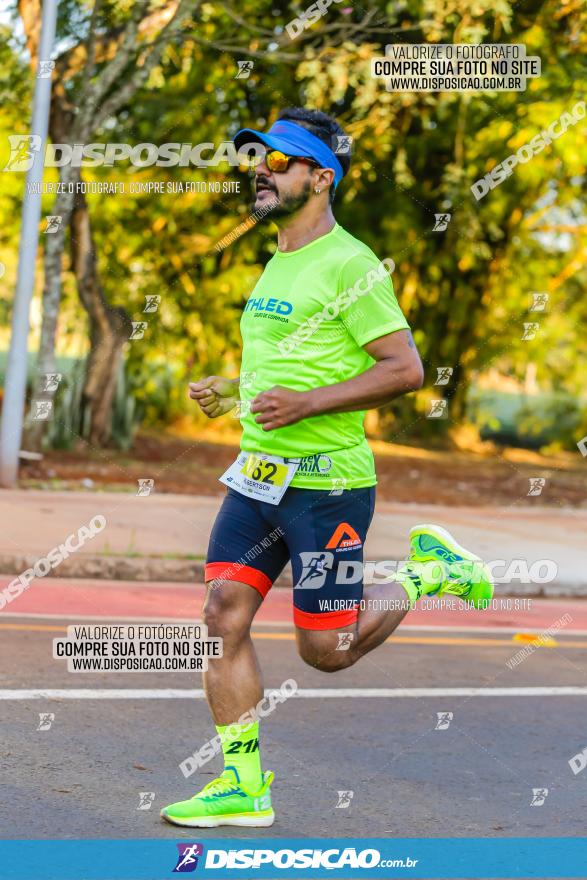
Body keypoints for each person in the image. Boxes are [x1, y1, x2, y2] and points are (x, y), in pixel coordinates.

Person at [161, 107, 493, 828]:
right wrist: (235, 387)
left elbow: (403, 368)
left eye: (278, 161)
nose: (260, 169)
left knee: (327, 651)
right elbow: (297, 361)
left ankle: (425, 573)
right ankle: (243, 784)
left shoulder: (350, 261)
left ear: (320, 175)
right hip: (257, 477)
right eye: (257, 159)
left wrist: (308, 403)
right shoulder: (281, 259)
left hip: (326, 487)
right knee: (222, 614)